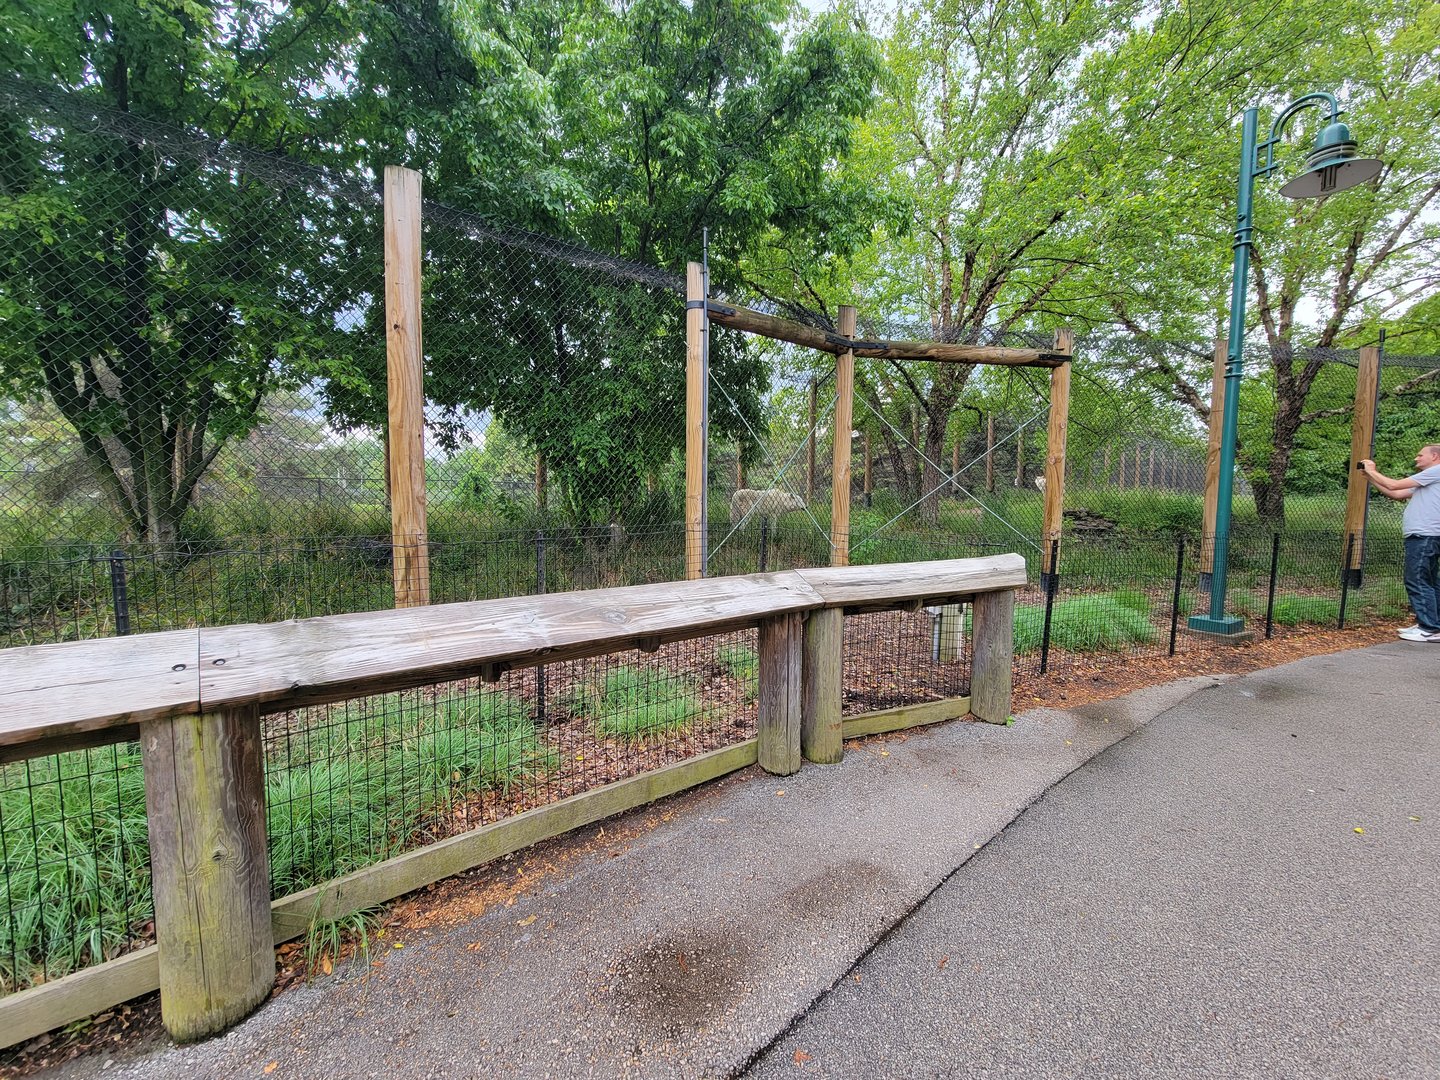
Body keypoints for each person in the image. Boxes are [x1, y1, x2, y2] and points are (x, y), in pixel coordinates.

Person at [1360, 444, 1440, 642]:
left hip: (1425, 536)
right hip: (1424, 536)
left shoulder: (1436, 471)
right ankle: (1431, 623)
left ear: (1435, 456)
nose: (1416, 458)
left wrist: (1372, 470)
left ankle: (1429, 628)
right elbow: (1397, 494)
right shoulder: (1429, 478)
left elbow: (1395, 485)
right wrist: (1370, 477)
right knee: (1429, 581)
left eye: (1420, 455)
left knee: (1417, 579)